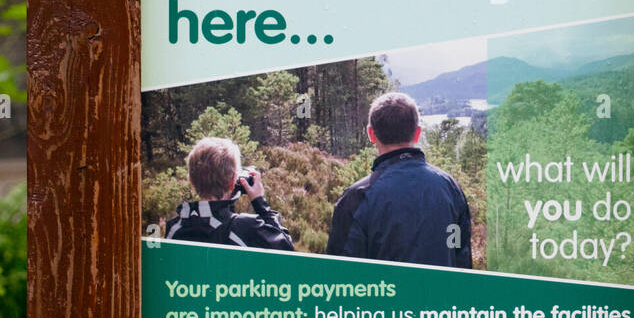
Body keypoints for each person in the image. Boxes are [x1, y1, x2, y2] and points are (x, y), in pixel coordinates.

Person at [327, 92, 472, 268]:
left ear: (371, 134)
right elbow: (462, 262)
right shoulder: (450, 188)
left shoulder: (356, 198)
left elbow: (341, 277)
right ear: (417, 133)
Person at [166, 136, 294, 251]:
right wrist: (260, 202)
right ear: (233, 181)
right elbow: (286, 250)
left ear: (192, 181)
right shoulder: (244, 227)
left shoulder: (174, 228)